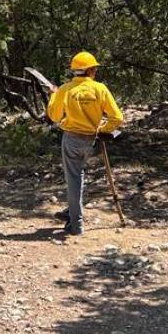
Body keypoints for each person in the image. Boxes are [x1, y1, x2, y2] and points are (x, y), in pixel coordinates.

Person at [46, 52, 124, 236]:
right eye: (94, 68)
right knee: (78, 176)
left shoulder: (65, 90)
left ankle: (76, 224)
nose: (95, 71)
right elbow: (117, 118)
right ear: (90, 70)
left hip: (71, 139)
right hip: (92, 140)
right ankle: (72, 211)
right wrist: (104, 129)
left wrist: (54, 96)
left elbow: (54, 116)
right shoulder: (100, 89)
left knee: (74, 179)